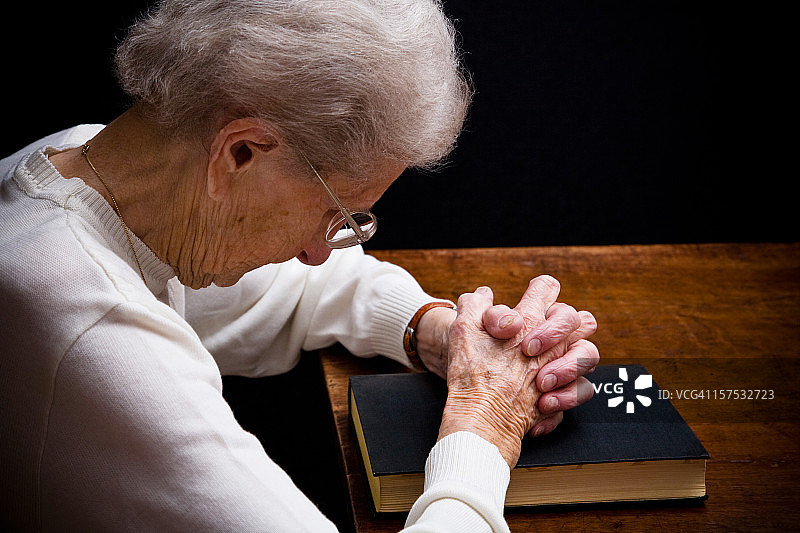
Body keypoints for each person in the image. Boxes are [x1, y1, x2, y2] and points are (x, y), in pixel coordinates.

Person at [0, 1, 599, 531]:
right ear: (240, 152)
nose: (319, 250)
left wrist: (437, 333)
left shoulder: (90, 161)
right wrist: (485, 425)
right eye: (337, 212)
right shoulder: (93, 328)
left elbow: (299, 288)